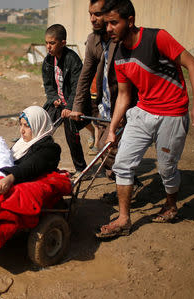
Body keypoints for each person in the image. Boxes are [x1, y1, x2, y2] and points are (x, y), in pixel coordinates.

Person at [96, 0, 194, 238]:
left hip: (173, 113)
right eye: (106, 24)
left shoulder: (157, 38)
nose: (108, 29)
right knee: (122, 164)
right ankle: (124, 219)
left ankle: (171, 205)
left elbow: (193, 64)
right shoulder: (118, 54)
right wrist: (112, 129)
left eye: (114, 23)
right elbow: (124, 96)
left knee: (167, 169)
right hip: (143, 112)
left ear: (130, 21)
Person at [70, 0, 137, 180]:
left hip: (125, 104)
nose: (92, 19)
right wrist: (77, 106)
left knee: (108, 148)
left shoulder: (123, 37)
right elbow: (85, 76)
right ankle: (119, 178)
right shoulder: (93, 40)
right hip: (103, 105)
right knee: (103, 147)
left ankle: (125, 182)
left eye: (97, 14)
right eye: (90, 14)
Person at [42, 24, 92, 176]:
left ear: (62, 43)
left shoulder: (73, 60)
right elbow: (48, 85)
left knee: (71, 132)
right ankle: (42, 165)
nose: (48, 47)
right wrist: (54, 98)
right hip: (59, 103)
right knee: (42, 126)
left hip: (75, 103)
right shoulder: (48, 61)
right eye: (46, 43)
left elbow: (78, 87)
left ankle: (81, 169)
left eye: (52, 43)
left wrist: (70, 107)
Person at [0, 106, 61, 194]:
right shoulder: (22, 143)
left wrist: (10, 178)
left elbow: (29, 167)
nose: (22, 131)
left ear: (37, 125)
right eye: (21, 125)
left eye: (26, 126)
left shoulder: (49, 149)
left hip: (29, 189)